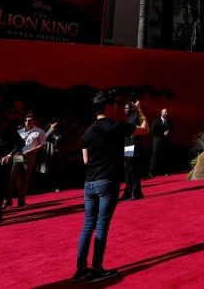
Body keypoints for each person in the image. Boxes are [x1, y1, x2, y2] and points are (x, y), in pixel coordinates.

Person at [73, 89, 149, 283]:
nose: (116, 107)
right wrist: (140, 110)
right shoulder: (115, 126)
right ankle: (97, 268)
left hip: (89, 183)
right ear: (107, 106)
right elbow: (145, 129)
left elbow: (85, 160)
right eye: (114, 104)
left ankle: (81, 268)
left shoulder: (87, 132)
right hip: (108, 181)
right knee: (102, 226)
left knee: (88, 225)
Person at [7, 114, 45, 208]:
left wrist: (30, 151)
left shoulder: (39, 131)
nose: (27, 122)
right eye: (26, 120)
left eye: (30, 120)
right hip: (19, 155)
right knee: (12, 177)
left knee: (25, 179)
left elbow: (42, 145)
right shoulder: (19, 131)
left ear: (34, 121)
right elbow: (15, 144)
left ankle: (21, 202)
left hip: (30, 156)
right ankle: (8, 201)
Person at [121, 102, 144, 200]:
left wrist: (130, 151)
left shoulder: (134, 118)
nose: (125, 110)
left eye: (127, 108)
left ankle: (135, 192)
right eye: (124, 108)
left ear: (132, 109)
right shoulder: (130, 117)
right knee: (128, 170)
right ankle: (130, 192)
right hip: (129, 147)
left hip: (131, 147)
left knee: (132, 170)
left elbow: (134, 135)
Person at [148, 108, 173, 178]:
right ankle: (151, 172)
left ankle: (165, 171)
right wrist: (163, 134)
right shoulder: (156, 121)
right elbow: (153, 131)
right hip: (157, 142)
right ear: (161, 113)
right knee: (155, 156)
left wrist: (169, 131)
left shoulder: (169, 121)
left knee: (165, 156)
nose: (166, 113)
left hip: (165, 142)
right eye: (165, 112)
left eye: (167, 112)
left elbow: (171, 129)